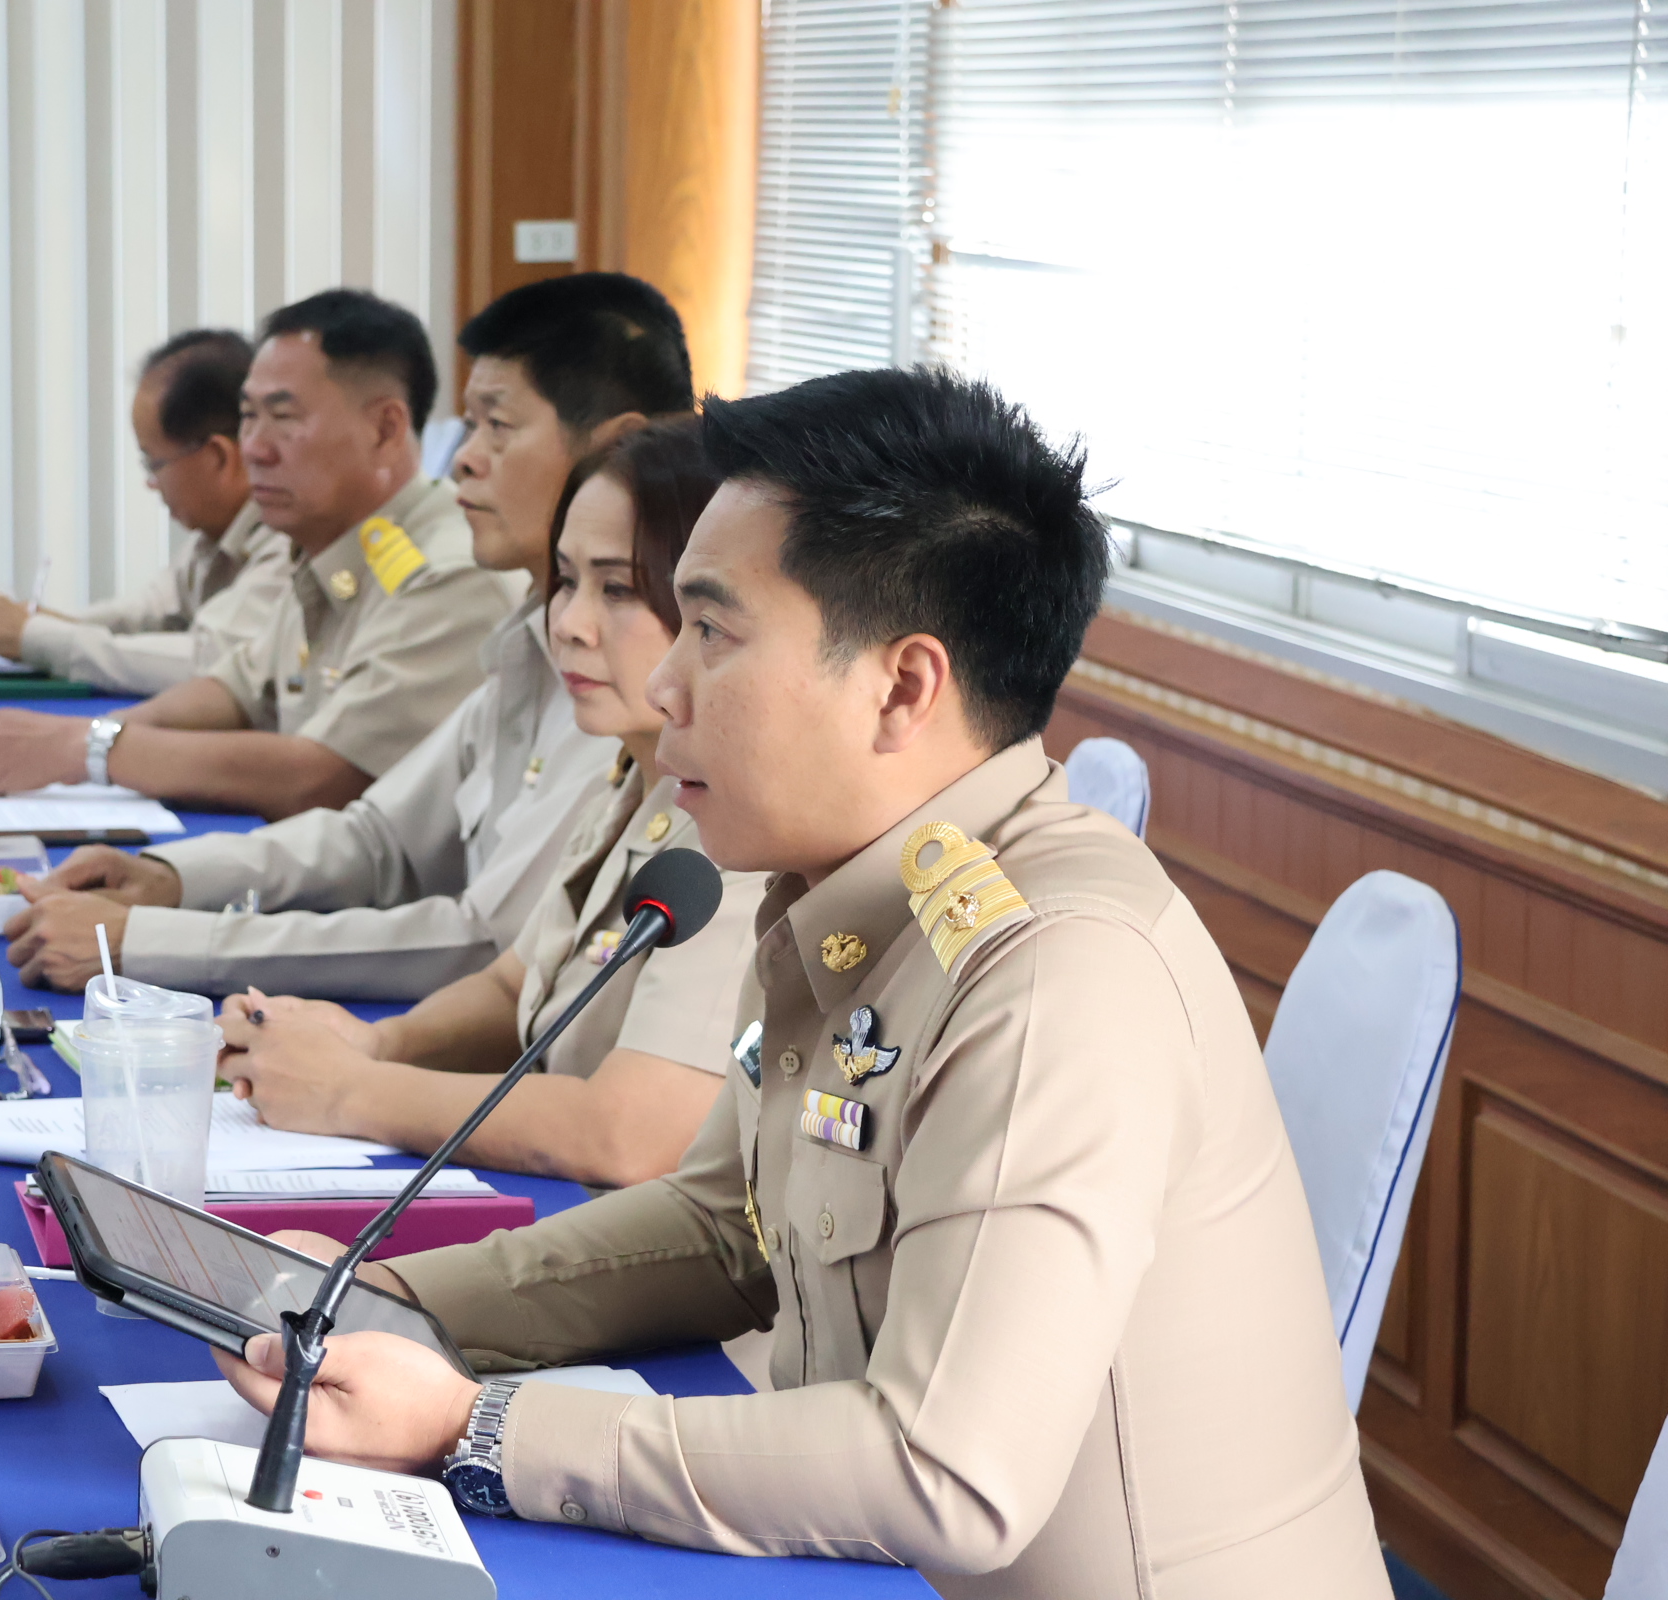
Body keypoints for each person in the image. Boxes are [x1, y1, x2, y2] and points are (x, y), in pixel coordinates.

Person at [214, 369, 1391, 1597]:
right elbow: (724, 1226)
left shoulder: (1052, 966)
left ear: (903, 687)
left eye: (712, 632)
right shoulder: (842, 896)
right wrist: (387, 1299)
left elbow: (945, 1470)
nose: (664, 685)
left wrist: (477, 1428)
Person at [0, 274, 696, 997]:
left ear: (617, 446)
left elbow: (485, 944)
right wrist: (169, 878)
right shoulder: (533, 631)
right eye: (469, 425)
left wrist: (148, 938)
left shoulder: (628, 674)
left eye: (497, 425)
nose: (463, 457)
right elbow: (377, 836)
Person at [214, 422, 767, 1189]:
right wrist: (375, 1044)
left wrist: (351, 1090)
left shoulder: (741, 833)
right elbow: (516, 987)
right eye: (563, 581)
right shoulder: (630, 777)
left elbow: (626, 1135)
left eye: (617, 589)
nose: (568, 624)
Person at [0, 290, 517, 821]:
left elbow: (322, 776)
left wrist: (89, 749)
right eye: (248, 416)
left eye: (284, 417)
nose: (255, 449)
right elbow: (236, 689)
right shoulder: (327, 544)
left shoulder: (450, 574)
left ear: (385, 429)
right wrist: (87, 735)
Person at [0, 329, 289, 696]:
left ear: (218, 458)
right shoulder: (216, 537)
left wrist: (33, 636)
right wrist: (33, 623)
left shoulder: (290, 538)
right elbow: (146, 615)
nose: (151, 483)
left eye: (153, 462)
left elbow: (208, 663)